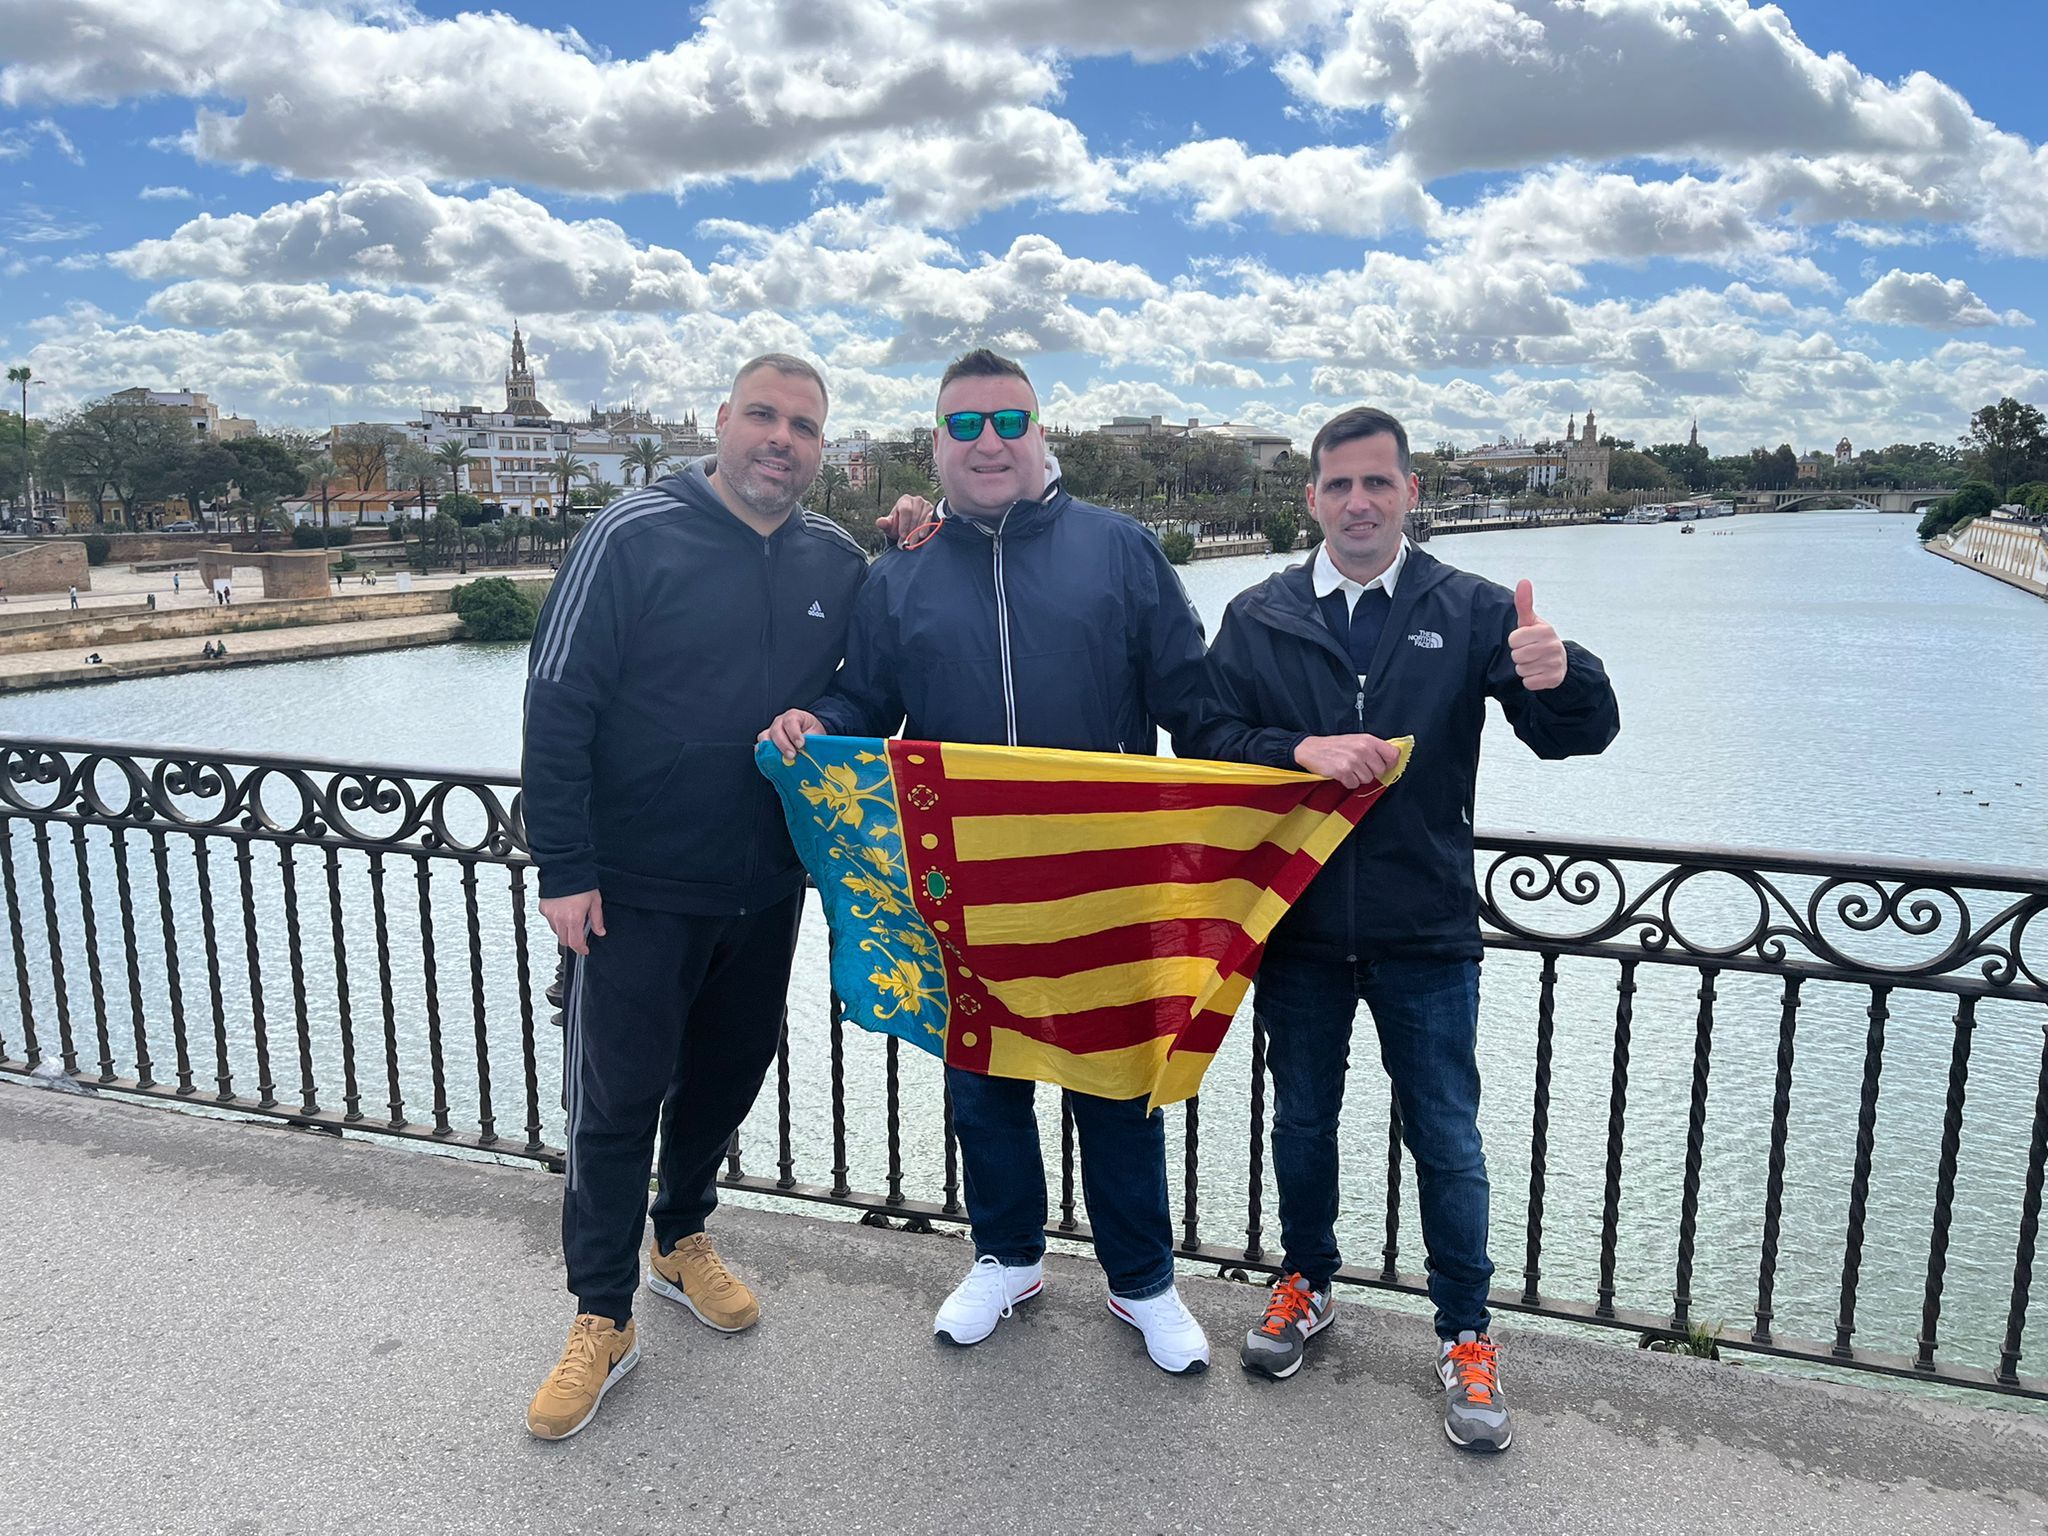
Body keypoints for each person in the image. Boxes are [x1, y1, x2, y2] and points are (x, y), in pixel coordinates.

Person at [765, 348, 1220, 1376]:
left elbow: (1198, 710)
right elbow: (864, 706)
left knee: (1113, 1088)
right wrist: (813, 721)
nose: (988, 443)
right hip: (962, 884)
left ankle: (1140, 1279)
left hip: (1107, 882)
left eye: (1007, 421)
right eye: (963, 426)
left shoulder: (1122, 551)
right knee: (982, 1086)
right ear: (934, 444)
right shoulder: (899, 577)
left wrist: (1294, 767)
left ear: (1040, 431)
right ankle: (1006, 1257)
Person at [1186, 405, 1619, 1453]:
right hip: (1292, 929)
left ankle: (1466, 1334)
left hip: (1423, 927)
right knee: (1299, 1124)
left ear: (1407, 493)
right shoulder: (1257, 613)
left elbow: (1575, 737)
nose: (1357, 503)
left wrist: (1565, 678)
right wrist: (1300, 750)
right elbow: (1202, 736)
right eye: (1337, 486)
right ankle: (1305, 1281)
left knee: (1447, 1141)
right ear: (1312, 500)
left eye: (1377, 483)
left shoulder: (1466, 608)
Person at [519, 353, 870, 1442]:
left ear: (822, 447)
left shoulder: (837, 558)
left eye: (802, 425)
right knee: (614, 1103)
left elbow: (864, 681)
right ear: (720, 424)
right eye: (761, 416)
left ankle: (679, 1237)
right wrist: (566, 870)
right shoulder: (632, 534)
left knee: (725, 1076)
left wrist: (825, 708)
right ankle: (601, 1314)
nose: (780, 438)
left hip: (763, 888)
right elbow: (556, 699)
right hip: (631, 890)